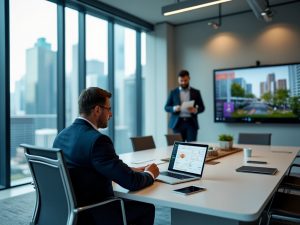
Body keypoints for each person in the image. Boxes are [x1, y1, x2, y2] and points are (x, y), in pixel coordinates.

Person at [53, 87, 159, 225]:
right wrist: (150, 174)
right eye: (108, 109)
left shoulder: (61, 136)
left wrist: (127, 170)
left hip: (69, 211)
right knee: (146, 207)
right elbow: (131, 182)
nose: (111, 114)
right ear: (97, 110)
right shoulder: (97, 140)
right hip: (93, 212)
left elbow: (86, 166)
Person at [165, 70, 205, 142]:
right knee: (178, 147)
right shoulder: (173, 92)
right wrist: (174, 108)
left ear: (189, 78)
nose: (183, 82)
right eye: (181, 80)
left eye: (185, 80)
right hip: (177, 124)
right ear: (178, 80)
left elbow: (202, 107)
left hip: (191, 123)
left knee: (192, 147)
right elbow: (166, 107)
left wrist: (195, 110)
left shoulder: (196, 92)